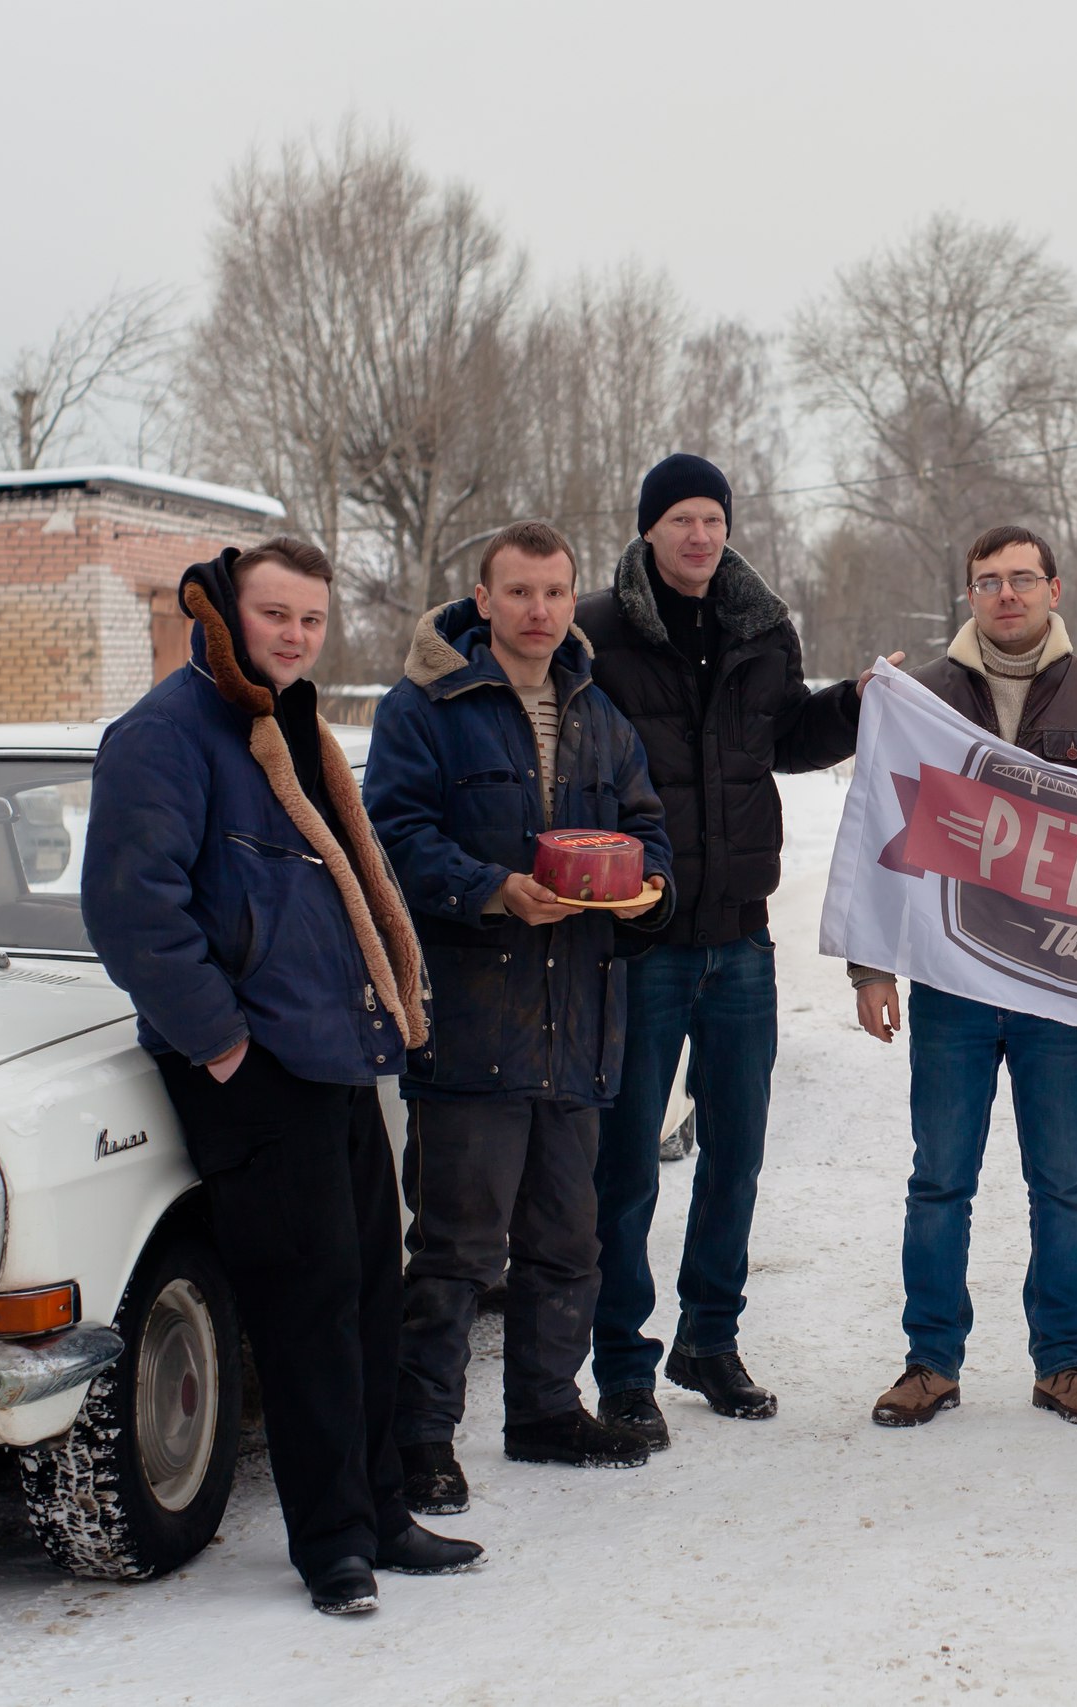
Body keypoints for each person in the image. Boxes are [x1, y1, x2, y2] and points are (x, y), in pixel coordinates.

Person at [85, 538, 478, 1617]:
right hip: (256, 1069)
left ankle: (383, 1511)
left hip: (336, 1053)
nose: (296, 634)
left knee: (367, 1298)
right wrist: (221, 1044)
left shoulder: (290, 721)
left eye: (311, 616)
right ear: (227, 613)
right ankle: (334, 1548)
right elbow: (132, 912)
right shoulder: (167, 735)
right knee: (305, 1315)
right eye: (276, 614)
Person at [364, 521, 677, 1514]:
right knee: (455, 1252)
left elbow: (646, 826)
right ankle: (420, 1441)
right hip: (472, 1023)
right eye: (520, 592)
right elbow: (394, 837)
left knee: (565, 1242)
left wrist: (649, 888)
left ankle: (543, 1411)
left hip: (579, 1020)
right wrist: (492, 888)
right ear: (484, 597)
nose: (540, 611)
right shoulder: (426, 708)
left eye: (555, 591)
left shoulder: (596, 711)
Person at [577, 453, 887, 1446]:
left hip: (741, 943)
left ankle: (709, 1340)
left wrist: (853, 705)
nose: (699, 535)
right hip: (641, 941)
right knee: (625, 1168)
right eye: (680, 519)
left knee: (736, 1157)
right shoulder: (600, 630)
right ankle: (623, 1365)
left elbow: (783, 736)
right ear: (649, 531)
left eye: (712, 517)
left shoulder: (762, 626)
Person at [852, 525, 1077, 1430]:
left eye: (1024, 579)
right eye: (989, 580)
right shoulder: (923, 698)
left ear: (1055, 589)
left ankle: (1061, 1360)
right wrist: (873, 965)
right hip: (954, 978)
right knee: (940, 1176)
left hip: (1059, 986)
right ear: (969, 594)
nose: (1007, 594)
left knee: (1062, 1178)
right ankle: (930, 1360)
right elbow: (879, 831)